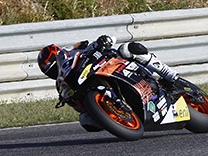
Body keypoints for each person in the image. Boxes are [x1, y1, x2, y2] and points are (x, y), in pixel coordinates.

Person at [37, 34, 182, 107]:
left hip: (110, 63)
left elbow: (106, 40)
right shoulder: (61, 83)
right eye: (51, 72)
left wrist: (102, 41)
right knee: (86, 121)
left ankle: (167, 73)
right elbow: (72, 102)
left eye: (54, 67)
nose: (55, 72)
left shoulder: (76, 50)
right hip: (92, 86)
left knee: (128, 49)